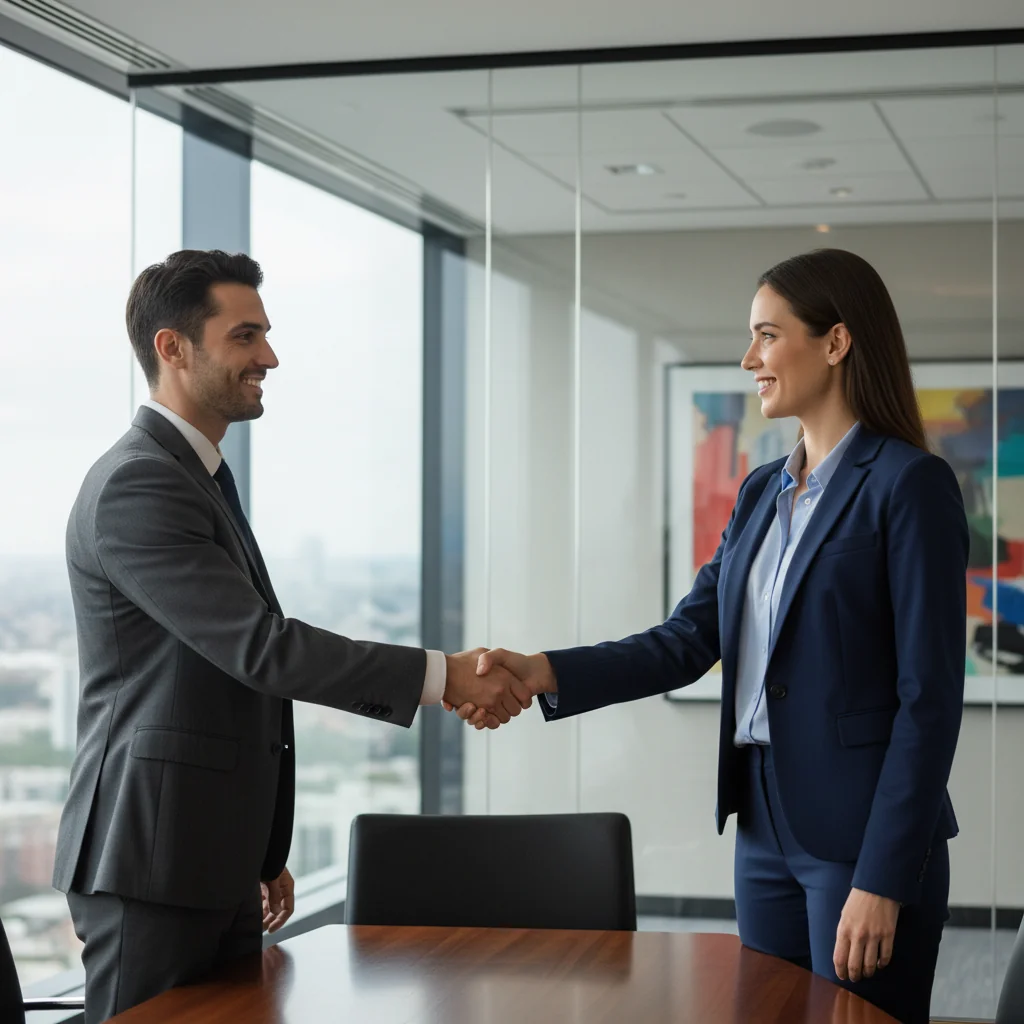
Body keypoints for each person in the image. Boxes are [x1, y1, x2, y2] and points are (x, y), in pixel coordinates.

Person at [450, 249, 968, 1024]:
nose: (749, 358)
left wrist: (885, 877)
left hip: (862, 839)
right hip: (761, 822)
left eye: (767, 334)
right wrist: (542, 669)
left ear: (836, 342)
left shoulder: (906, 484)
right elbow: (686, 639)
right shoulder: (763, 487)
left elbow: (928, 700)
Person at [54, 249, 528, 1024]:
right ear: (173, 348)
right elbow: (262, 650)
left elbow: (225, 680)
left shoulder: (194, 475)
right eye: (246, 337)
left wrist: (262, 851)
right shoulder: (139, 483)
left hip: (206, 856)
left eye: (265, 335)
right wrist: (446, 677)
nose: (269, 357)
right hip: (150, 860)